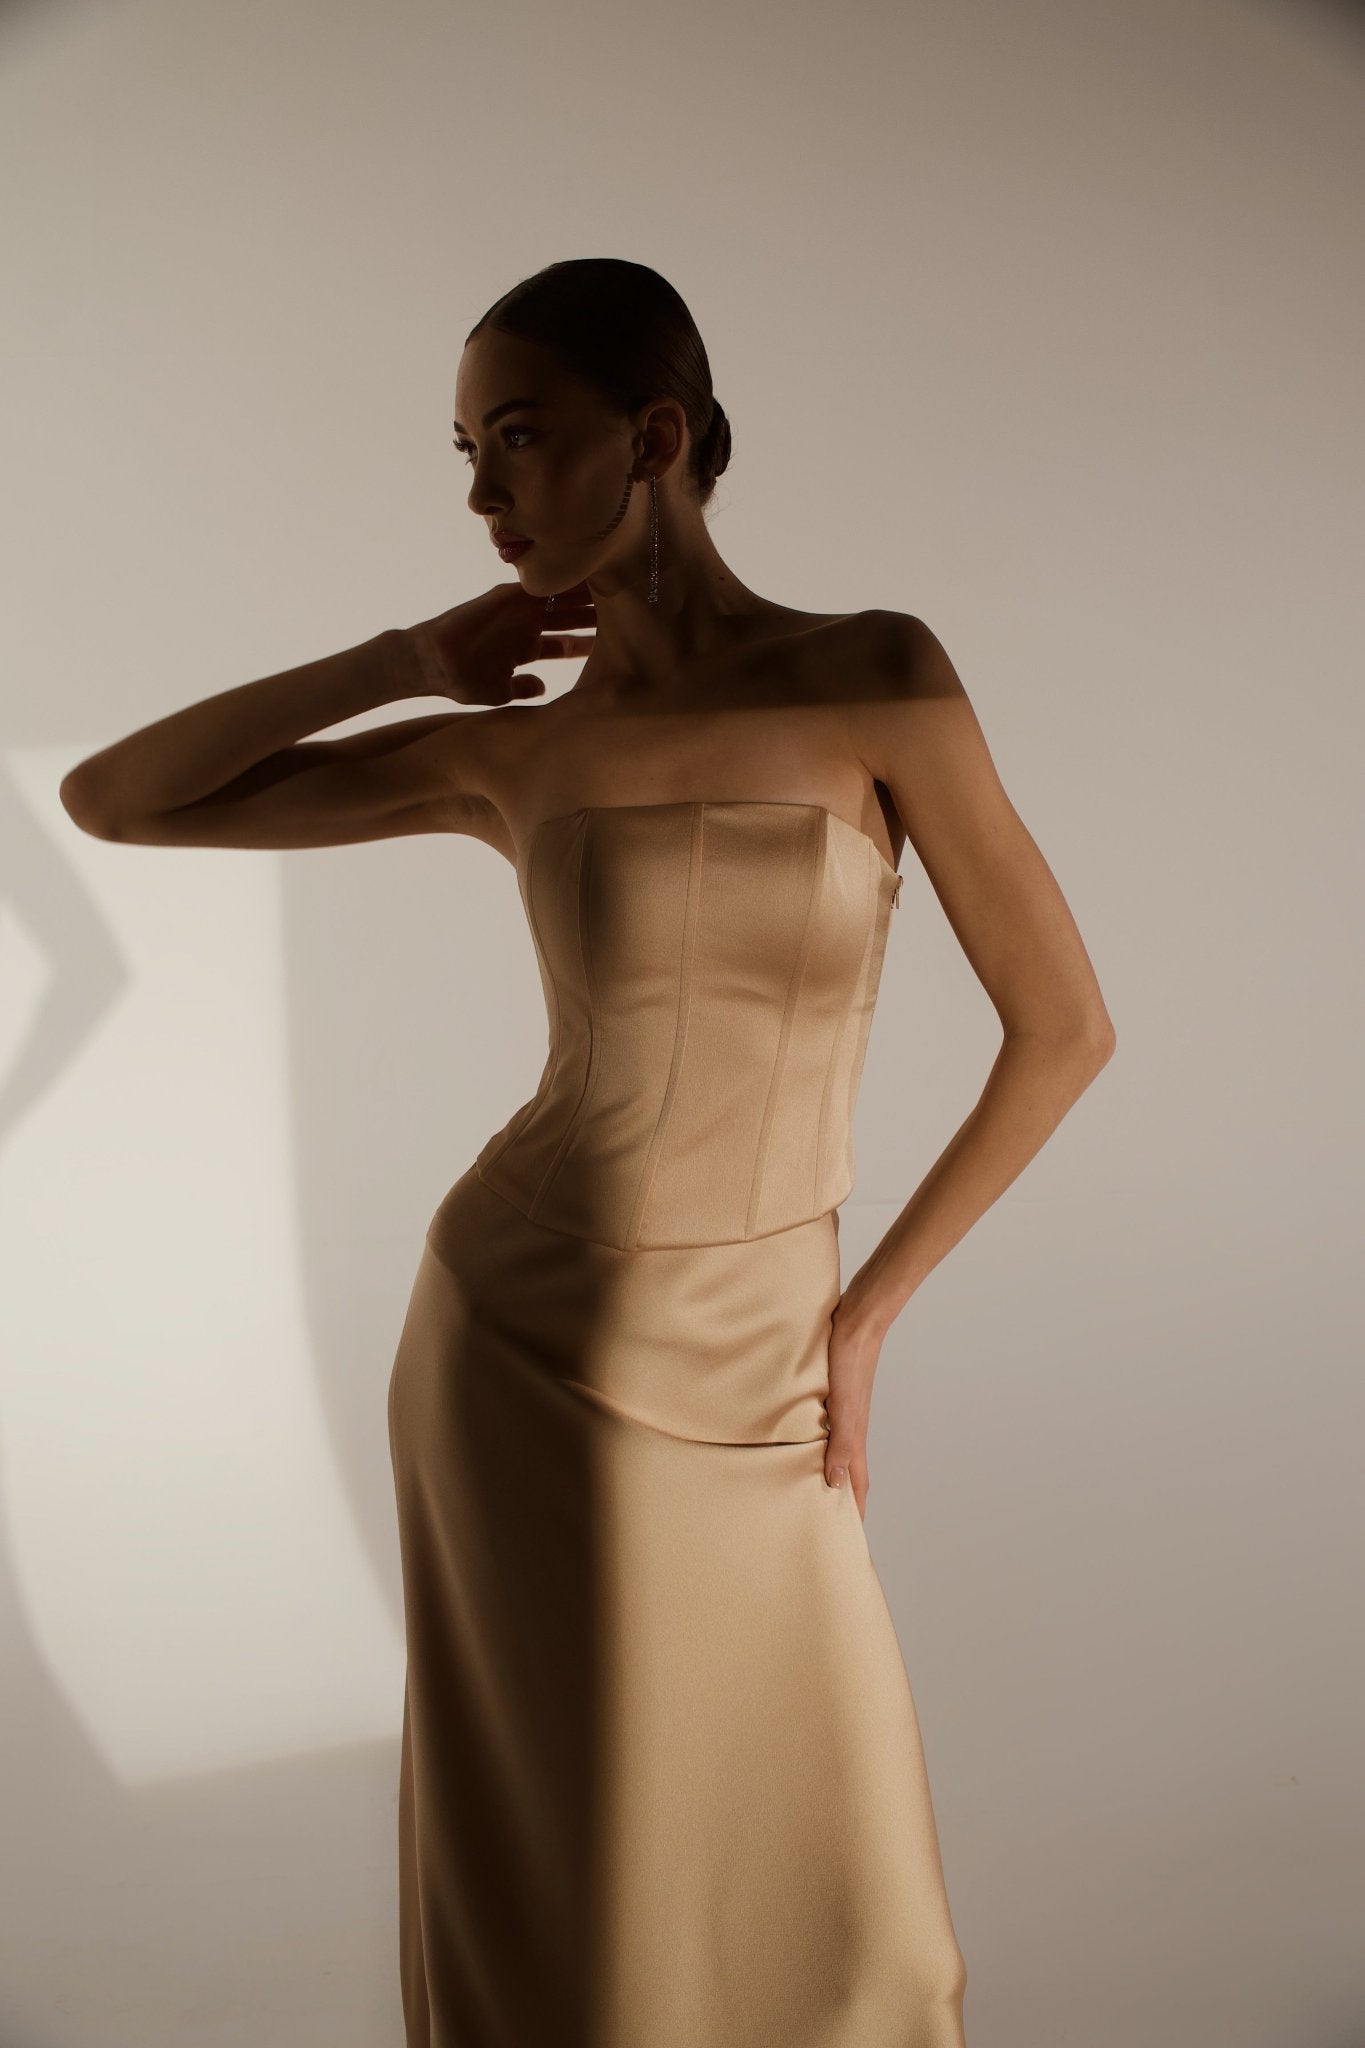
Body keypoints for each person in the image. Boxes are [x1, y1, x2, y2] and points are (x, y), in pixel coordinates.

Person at [60, 257, 1116, 2047]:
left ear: (658, 435)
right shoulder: (508, 756)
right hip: (520, 1344)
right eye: (463, 454)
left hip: (764, 1353)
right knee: (574, 1869)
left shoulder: (875, 673)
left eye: (519, 442)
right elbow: (114, 799)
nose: (481, 497)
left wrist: (861, 1324)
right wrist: (399, 662)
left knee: (864, 1922)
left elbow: (1062, 1028)